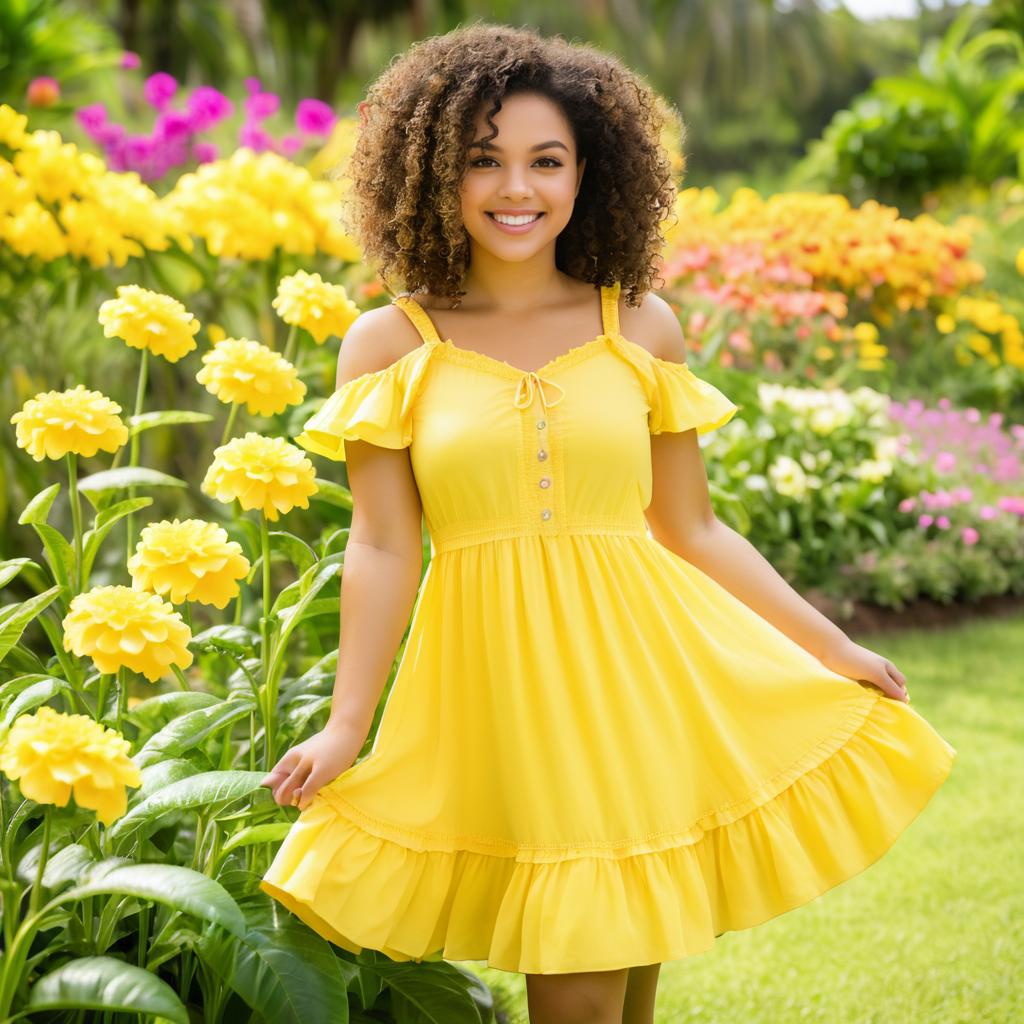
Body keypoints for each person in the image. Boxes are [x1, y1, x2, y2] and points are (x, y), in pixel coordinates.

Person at [259, 21, 956, 1024]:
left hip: (642, 676)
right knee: (578, 978)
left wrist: (830, 642)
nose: (517, 188)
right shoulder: (387, 345)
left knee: (624, 978)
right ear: (428, 172)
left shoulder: (638, 326)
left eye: (548, 161)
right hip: (499, 688)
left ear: (589, 172)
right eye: (483, 160)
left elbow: (692, 527)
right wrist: (346, 723)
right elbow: (381, 545)